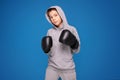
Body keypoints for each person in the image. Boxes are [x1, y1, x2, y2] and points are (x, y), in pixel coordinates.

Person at [41, 5, 80, 80]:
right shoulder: (50, 32)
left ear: (61, 14)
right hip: (52, 67)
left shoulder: (71, 29)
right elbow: (48, 52)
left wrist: (74, 43)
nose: (53, 19)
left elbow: (77, 50)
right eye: (51, 17)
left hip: (68, 68)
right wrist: (46, 50)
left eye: (55, 15)